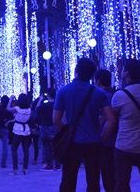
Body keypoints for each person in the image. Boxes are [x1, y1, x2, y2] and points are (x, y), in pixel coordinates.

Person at [53, 58, 116, 192]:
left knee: (68, 179)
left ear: (76, 71)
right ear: (92, 75)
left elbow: (56, 119)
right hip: (93, 142)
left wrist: (66, 131)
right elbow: (111, 119)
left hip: (73, 142)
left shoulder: (63, 91)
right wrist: (102, 137)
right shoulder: (99, 93)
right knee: (93, 180)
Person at [111, 59, 140, 192]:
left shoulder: (120, 95)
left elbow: (112, 119)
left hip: (124, 144)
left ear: (126, 73)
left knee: (121, 182)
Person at [94, 69, 116, 192]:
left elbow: (103, 118)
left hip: (104, 139)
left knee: (107, 173)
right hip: (118, 139)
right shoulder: (116, 95)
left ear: (97, 81)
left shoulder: (98, 96)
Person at [7, 94, 32, 175]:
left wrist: (10, 99)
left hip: (18, 129)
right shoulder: (29, 109)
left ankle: (15, 169)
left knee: (14, 149)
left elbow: (8, 109)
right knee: (26, 150)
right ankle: (25, 169)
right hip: (26, 129)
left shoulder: (17, 109)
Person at [36, 87, 58, 171]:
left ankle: (49, 164)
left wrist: (40, 100)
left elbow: (36, 109)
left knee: (46, 146)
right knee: (56, 146)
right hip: (55, 126)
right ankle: (57, 164)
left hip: (45, 127)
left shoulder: (44, 105)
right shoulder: (57, 104)